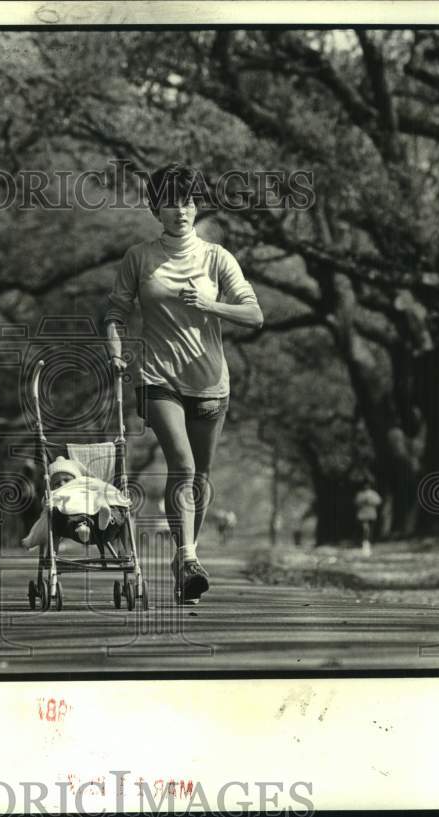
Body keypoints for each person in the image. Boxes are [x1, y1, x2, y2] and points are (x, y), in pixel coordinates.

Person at [103, 163, 264, 604]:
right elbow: (115, 314)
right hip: (157, 379)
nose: (181, 210)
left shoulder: (217, 258)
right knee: (185, 466)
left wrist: (213, 304)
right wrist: (116, 352)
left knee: (201, 477)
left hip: (210, 382)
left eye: (189, 201)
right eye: (171, 201)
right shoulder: (139, 258)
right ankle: (189, 556)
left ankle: (183, 562)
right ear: (156, 208)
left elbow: (255, 315)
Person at [21, 456, 130, 553]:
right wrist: (48, 501)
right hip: (79, 522)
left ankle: (105, 518)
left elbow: (103, 487)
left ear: (76, 479)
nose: (62, 484)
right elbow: (44, 518)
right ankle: (84, 527)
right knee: (62, 512)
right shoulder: (56, 495)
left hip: (106, 520)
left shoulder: (84, 483)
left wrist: (115, 495)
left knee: (117, 507)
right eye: (57, 483)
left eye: (66, 480)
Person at [354, 481, 382, 557]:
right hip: (362, 514)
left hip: (371, 514)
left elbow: (379, 501)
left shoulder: (373, 493)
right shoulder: (360, 494)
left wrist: (371, 501)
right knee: (365, 528)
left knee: (370, 530)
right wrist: (363, 501)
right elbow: (356, 502)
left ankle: (369, 542)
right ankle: (364, 542)